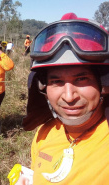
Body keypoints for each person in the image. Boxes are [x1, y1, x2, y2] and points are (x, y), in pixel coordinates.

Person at [8, 13, 109, 184]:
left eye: (81, 79)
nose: (69, 97)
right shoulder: (44, 133)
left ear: (103, 85)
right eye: (56, 82)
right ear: (43, 87)